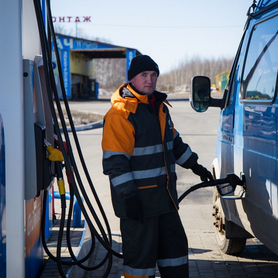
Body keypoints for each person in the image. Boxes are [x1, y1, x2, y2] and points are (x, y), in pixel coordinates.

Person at [102, 54, 213, 278]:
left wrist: (195, 165)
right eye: (144, 75)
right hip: (139, 206)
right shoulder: (121, 114)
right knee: (140, 265)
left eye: (154, 75)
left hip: (165, 202)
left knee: (176, 256)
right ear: (132, 79)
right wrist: (129, 198)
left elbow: (173, 143)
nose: (150, 80)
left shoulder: (160, 108)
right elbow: (116, 163)